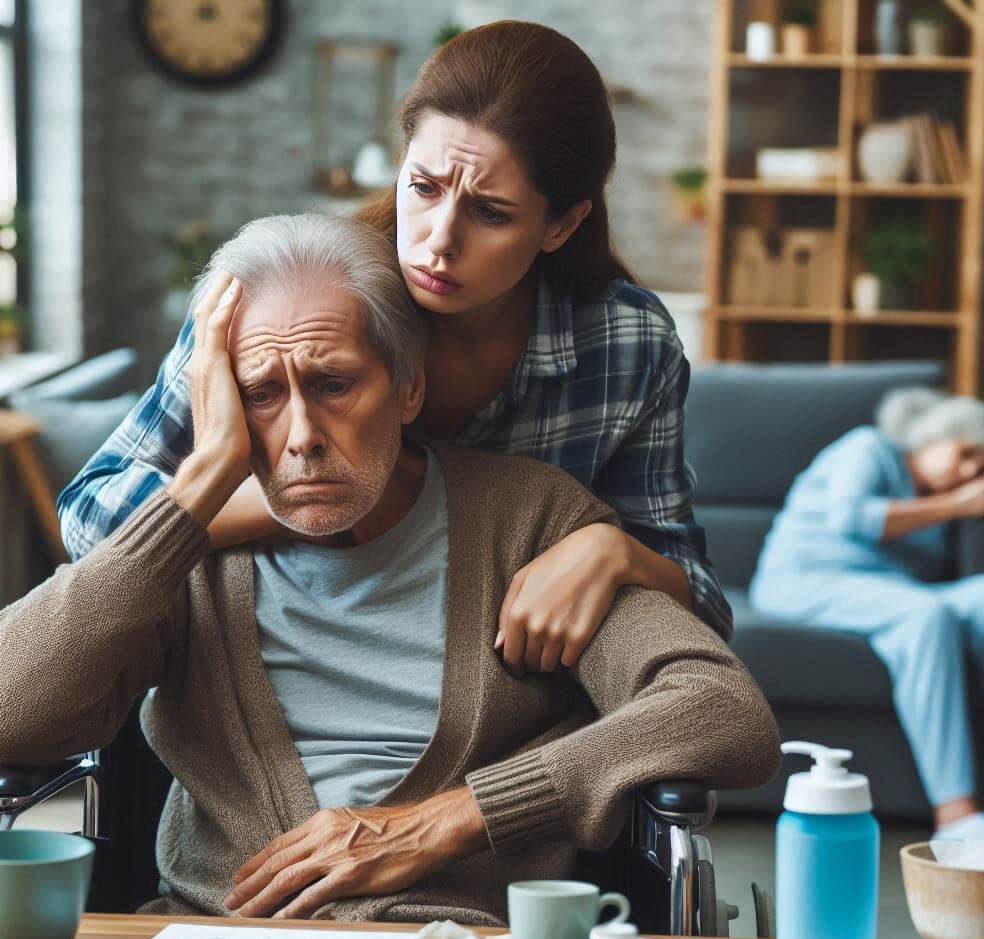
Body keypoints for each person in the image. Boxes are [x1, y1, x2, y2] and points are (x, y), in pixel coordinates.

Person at [1, 215, 779, 923]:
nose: (302, 433)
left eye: (334, 383)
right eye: (261, 395)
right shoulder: (189, 560)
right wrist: (203, 480)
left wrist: (449, 821)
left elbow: (723, 714)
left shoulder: (530, 522)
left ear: (408, 387)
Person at [57, 21, 732, 677]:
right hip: (283, 682)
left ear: (561, 223)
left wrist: (612, 551)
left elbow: (700, 603)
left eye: (490, 212)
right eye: (424, 187)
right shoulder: (290, 300)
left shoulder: (627, 345)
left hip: (507, 712)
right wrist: (301, 495)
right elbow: (90, 525)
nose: (439, 239)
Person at [750, 387, 984, 842]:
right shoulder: (868, 447)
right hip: (809, 578)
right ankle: (958, 818)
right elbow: (850, 518)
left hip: (890, 590)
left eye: (983, 464)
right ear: (932, 438)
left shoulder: (941, 498)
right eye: (966, 452)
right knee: (927, 617)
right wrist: (965, 502)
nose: (973, 470)